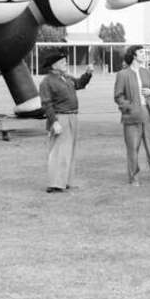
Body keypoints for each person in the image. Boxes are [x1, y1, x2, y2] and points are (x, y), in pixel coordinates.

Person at [113, 45, 150, 185]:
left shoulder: (146, 72)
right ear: (134, 55)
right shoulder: (122, 74)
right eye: (141, 52)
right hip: (132, 115)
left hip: (148, 112)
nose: (144, 54)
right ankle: (134, 179)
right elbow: (118, 96)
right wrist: (129, 108)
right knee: (133, 149)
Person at [38, 50, 93, 193]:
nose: (65, 63)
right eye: (62, 62)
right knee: (58, 152)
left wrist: (87, 74)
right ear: (53, 66)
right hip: (60, 118)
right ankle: (55, 183)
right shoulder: (47, 82)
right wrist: (54, 122)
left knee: (69, 151)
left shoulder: (66, 78)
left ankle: (65, 181)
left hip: (72, 117)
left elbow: (80, 84)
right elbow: (46, 104)